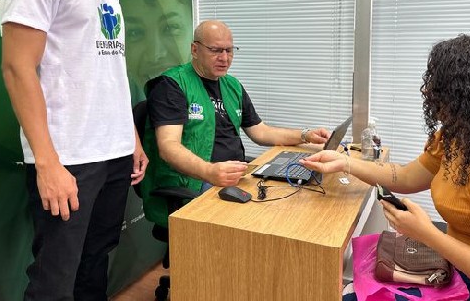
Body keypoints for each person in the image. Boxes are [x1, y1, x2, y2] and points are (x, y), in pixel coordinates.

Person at [302, 34, 470, 301]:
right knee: (359, 283)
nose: (426, 91)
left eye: (436, 84)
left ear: (466, 93)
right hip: (463, 273)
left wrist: (428, 234)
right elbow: (405, 177)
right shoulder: (457, 138)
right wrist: (346, 163)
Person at [0, 0, 151, 301]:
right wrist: (48, 163)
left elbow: (109, 73)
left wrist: (131, 139)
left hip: (114, 153)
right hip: (69, 156)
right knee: (55, 278)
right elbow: (17, 68)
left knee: (95, 263)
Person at [141, 19, 331, 227]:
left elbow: (260, 131)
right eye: (215, 50)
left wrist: (305, 135)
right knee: (257, 223)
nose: (224, 58)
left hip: (236, 175)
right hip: (196, 181)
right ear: (195, 50)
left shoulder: (232, 85)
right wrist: (210, 172)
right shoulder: (171, 85)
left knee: (290, 205)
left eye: (229, 50)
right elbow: (168, 147)